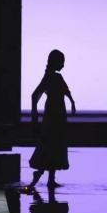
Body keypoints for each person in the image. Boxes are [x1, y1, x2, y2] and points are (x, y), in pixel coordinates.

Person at [26, 50, 75, 190]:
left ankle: (50, 179)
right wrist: (34, 116)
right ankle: (40, 174)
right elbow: (35, 95)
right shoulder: (50, 77)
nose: (63, 65)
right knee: (50, 144)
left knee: (54, 145)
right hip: (53, 116)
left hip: (57, 115)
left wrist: (72, 102)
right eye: (62, 62)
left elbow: (66, 91)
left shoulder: (56, 77)